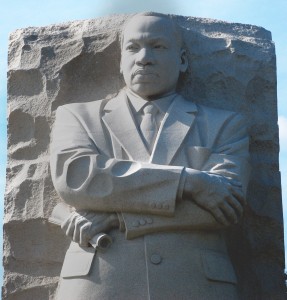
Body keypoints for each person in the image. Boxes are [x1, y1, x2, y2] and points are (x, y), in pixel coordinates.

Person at [50, 12, 250, 300]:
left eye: (158, 46)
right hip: (99, 283)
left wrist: (117, 217)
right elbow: (77, 178)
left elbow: (225, 206)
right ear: (120, 61)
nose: (144, 58)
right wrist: (188, 181)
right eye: (133, 47)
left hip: (195, 284)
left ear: (182, 59)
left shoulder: (224, 124)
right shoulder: (78, 117)